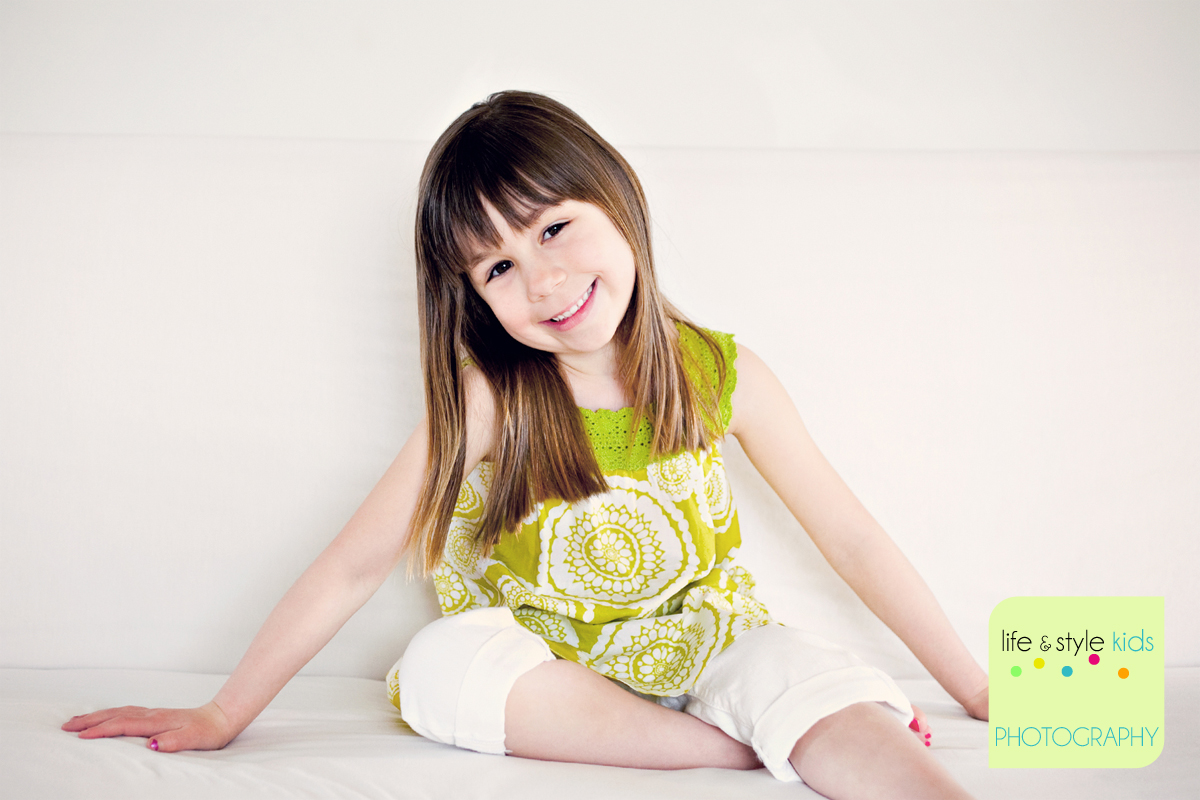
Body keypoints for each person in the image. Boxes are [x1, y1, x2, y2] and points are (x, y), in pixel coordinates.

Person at [63, 91, 988, 799]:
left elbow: (852, 538)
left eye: (555, 228)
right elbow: (355, 565)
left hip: (708, 644)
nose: (544, 280)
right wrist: (225, 711)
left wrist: (978, 690)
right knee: (438, 667)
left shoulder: (722, 373)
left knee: (796, 668)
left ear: (619, 201)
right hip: (550, 673)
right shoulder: (493, 398)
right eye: (500, 266)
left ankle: (811, 724)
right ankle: (730, 747)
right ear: (475, 298)